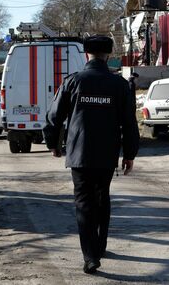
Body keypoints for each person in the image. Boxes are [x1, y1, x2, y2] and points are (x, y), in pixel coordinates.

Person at [43, 35, 139, 274]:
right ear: (108, 55)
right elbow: (129, 122)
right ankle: (100, 246)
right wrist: (129, 154)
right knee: (102, 198)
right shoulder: (119, 85)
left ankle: (90, 256)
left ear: (87, 54)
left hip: (79, 153)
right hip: (107, 154)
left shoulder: (73, 81)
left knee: (84, 203)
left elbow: (54, 116)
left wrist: (52, 143)